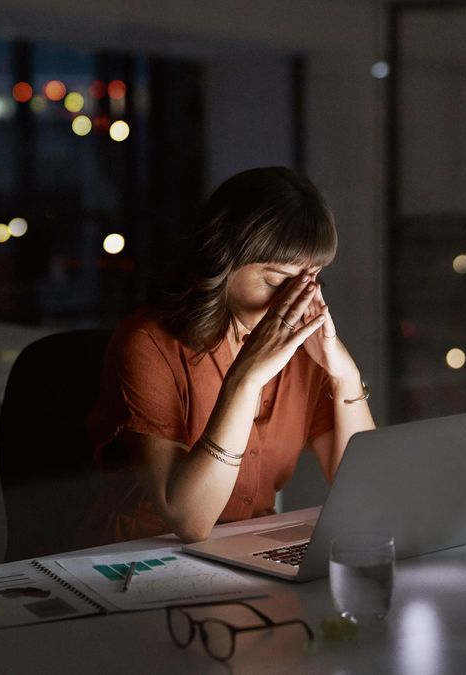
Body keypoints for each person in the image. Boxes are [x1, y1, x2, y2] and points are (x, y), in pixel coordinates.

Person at [82, 167, 376, 545]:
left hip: (245, 549)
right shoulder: (148, 344)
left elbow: (365, 489)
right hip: (139, 558)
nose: (296, 299)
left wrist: (344, 374)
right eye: (277, 280)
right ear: (224, 259)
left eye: (311, 279)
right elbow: (188, 521)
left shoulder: (305, 351)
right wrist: (247, 378)